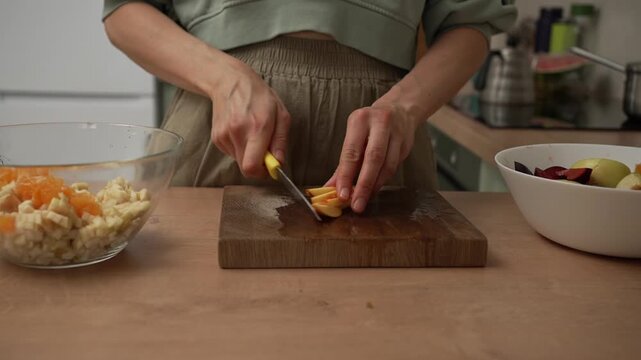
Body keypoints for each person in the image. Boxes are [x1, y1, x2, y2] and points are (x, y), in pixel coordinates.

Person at [102, 0, 516, 213]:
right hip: (223, 124)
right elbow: (123, 10)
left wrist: (405, 108)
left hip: (382, 145)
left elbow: (472, 18)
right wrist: (223, 78)